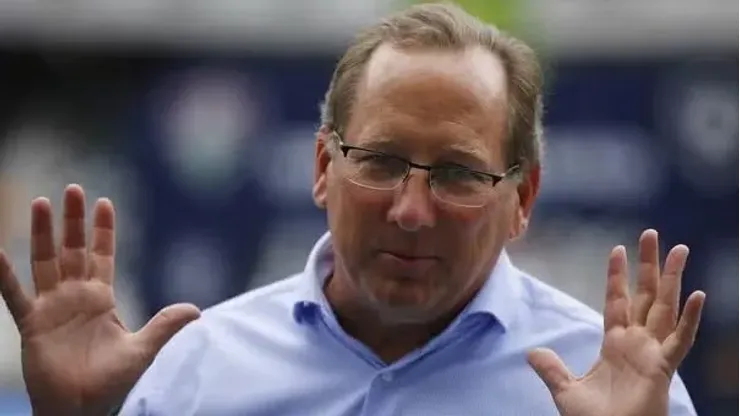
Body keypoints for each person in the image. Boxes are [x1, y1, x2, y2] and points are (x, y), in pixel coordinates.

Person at [0, 3, 705, 415]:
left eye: (458, 173)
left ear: (522, 200)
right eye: (381, 161)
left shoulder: (611, 390)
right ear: (320, 168)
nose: (410, 210)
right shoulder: (192, 374)